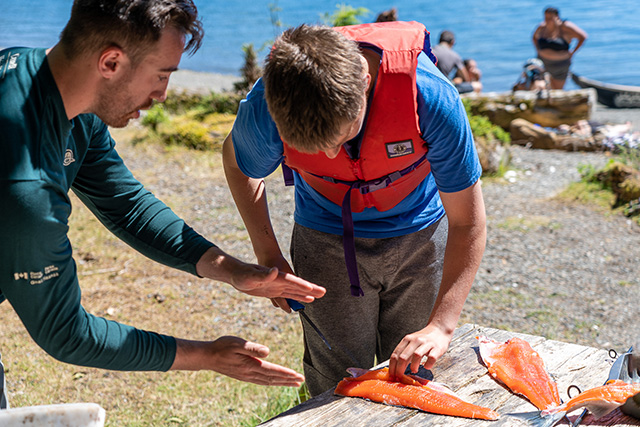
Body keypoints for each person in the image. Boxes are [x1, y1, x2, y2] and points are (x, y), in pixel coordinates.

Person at [0, 0, 327, 409]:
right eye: (161, 75)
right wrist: (207, 356)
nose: (163, 95)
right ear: (111, 62)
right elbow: (66, 333)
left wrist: (232, 270)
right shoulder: (25, 181)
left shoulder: (40, 77)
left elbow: (126, 203)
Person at [222, 21, 486, 396]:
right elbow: (236, 163)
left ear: (364, 83)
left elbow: (467, 221)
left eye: (342, 137)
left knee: (416, 374)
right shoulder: (266, 109)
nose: (330, 156)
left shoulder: (430, 98)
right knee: (335, 381)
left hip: (420, 235)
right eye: (312, 148)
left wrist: (441, 325)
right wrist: (268, 253)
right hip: (325, 238)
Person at [533, 6, 587, 89]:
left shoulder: (565, 27)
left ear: (557, 17)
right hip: (543, 62)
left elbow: (583, 37)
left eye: (550, 18)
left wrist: (572, 52)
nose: (547, 20)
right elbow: (534, 37)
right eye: (546, 18)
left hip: (560, 65)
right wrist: (538, 50)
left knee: (557, 90)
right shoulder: (542, 27)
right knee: (540, 87)